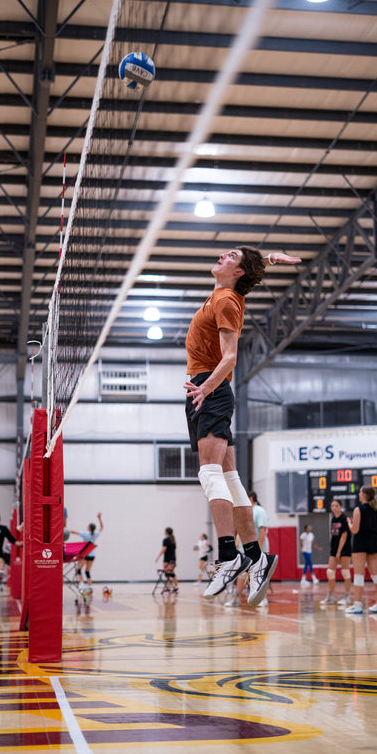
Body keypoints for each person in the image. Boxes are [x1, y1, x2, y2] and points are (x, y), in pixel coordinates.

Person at [184, 247, 300, 606]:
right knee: (231, 479)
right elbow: (247, 268)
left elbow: (231, 356)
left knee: (209, 474)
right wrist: (267, 258)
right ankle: (256, 555)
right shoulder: (224, 292)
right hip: (205, 390)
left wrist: (206, 387)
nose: (220, 254)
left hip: (210, 390)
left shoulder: (228, 302)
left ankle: (228, 555)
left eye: (229, 255)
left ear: (236, 272)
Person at [225, 491, 272, 608]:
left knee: (260, 573)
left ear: (250, 498)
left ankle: (263, 598)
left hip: (257, 548)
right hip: (245, 549)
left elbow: (262, 530)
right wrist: (236, 546)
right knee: (242, 574)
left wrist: (259, 549)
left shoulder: (259, 511)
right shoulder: (243, 512)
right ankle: (236, 599)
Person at [345, 485, 377, 614]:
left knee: (359, 575)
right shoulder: (376, 511)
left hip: (360, 543)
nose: (359, 494)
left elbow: (355, 530)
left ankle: (357, 606)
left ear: (365, 495)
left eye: (360, 492)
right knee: (376, 574)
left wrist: (349, 523)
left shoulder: (358, 509)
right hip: (373, 543)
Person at [320, 499, 352, 606]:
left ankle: (347, 596)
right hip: (334, 549)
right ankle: (330, 596)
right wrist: (334, 551)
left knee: (345, 572)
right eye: (332, 506)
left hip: (344, 549)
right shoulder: (333, 519)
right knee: (330, 572)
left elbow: (344, 536)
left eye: (336, 506)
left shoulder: (344, 518)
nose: (334, 508)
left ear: (341, 507)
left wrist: (339, 551)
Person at [69, 512, 103, 594]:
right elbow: (101, 528)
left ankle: (81, 584)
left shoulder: (85, 534)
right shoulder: (95, 534)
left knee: (79, 569)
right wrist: (99, 518)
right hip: (92, 555)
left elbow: (74, 532)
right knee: (87, 571)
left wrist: (67, 530)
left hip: (85, 554)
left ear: (89, 528)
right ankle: (89, 587)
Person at [155, 527, 178, 593]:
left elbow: (164, 549)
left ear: (166, 532)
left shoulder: (166, 540)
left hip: (167, 559)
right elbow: (175, 551)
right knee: (172, 574)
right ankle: (176, 588)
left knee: (167, 574)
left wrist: (158, 557)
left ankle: (168, 588)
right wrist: (175, 560)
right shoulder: (173, 540)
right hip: (173, 559)